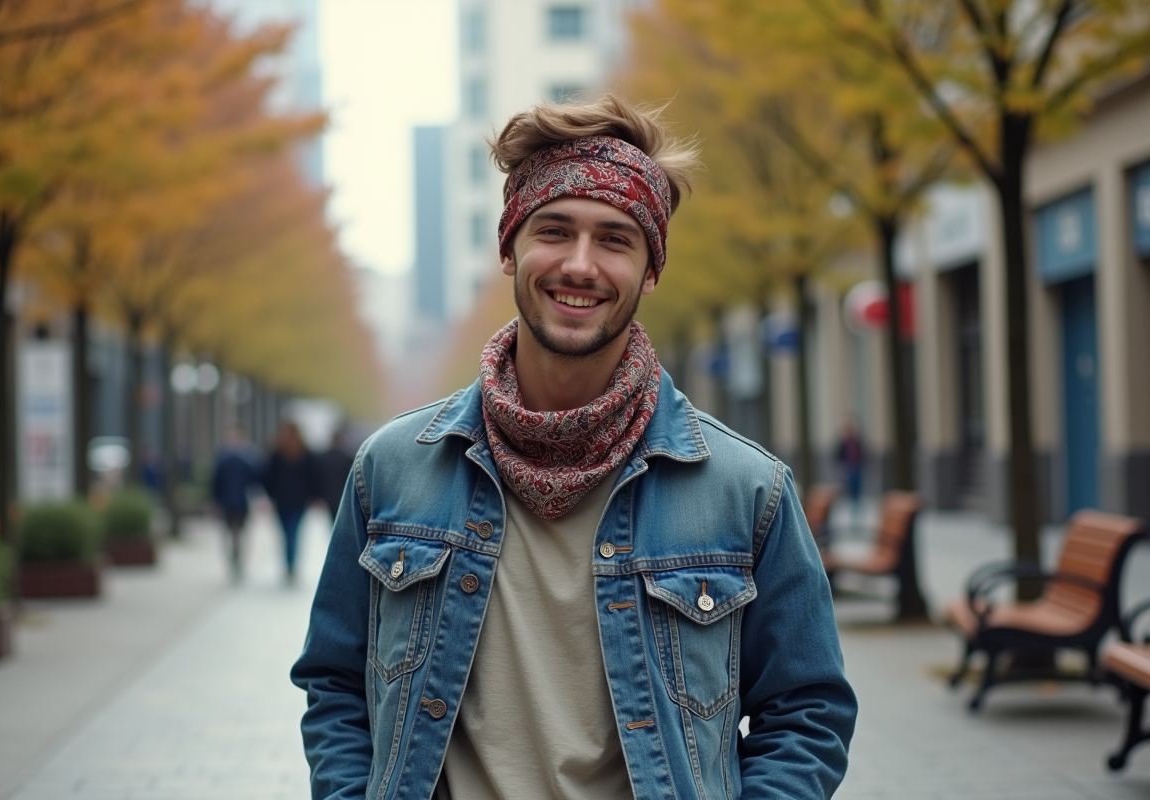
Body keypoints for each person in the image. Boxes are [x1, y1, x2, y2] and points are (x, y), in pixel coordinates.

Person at [291, 94, 856, 800]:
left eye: (615, 239)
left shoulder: (746, 489)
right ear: (509, 248)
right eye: (554, 230)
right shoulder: (393, 467)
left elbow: (807, 711)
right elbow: (336, 683)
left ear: (650, 270)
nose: (580, 265)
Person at [262, 420, 320, 584]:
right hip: (300, 500)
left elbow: (268, 477)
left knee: (285, 534)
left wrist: (270, 494)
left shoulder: (276, 452)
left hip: (281, 500)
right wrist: (313, 495)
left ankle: (288, 566)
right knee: (295, 533)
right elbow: (313, 477)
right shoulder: (305, 452)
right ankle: (292, 566)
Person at [210, 428, 261, 582]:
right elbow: (255, 481)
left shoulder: (222, 459)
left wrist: (215, 501)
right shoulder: (248, 459)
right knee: (240, 534)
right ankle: (237, 559)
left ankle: (233, 560)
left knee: (229, 534)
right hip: (241, 503)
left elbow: (215, 483)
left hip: (227, 503)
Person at [315, 426, 359, 520]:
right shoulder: (347, 458)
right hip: (342, 493)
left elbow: (320, 477)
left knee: (333, 519)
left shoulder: (324, 458)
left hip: (329, 495)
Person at [836, 418, 865, 528]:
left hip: (857, 470)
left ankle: (857, 515)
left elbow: (862, 455)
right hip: (848, 471)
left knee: (857, 493)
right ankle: (853, 515)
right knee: (850, 494)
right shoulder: (844, 443)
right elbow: (839, 456)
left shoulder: (857, 441)